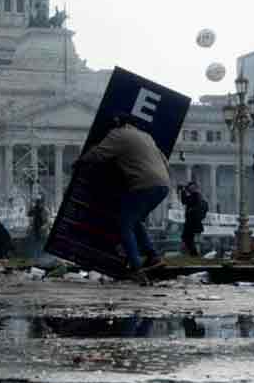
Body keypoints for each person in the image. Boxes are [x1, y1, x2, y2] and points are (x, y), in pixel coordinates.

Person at [79, 114, 170, 282]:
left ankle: (136, 267)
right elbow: (164, 160)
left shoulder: (119, 134)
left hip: (144, 184)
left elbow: (99, 154)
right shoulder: (146, 136)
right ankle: (152, 256)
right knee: (134, 220)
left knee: (124, 224)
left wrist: (81, 161)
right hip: (163, 184)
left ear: (118, 123)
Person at [178, 180, 207, 257]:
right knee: (187, 238)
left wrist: (183, 191)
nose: (189, 189)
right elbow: (185, 201)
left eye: (190, 187)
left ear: (194, 188)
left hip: (192, 222)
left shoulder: (196, 195)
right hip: (193, 221)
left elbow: (185, 201)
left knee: (187, 238)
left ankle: (194, 254)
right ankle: (193, 254)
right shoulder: (197, 196)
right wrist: (183, 191)